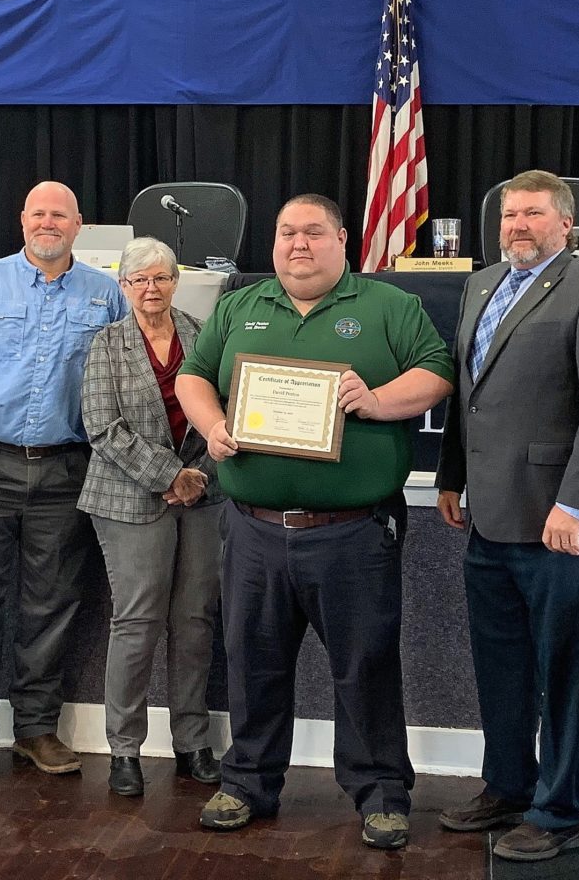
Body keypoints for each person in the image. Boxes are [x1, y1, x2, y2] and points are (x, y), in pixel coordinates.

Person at [175, 193, 454, 849]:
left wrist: (376, 399)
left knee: (365, 667)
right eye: (285, 232)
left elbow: (437, 373)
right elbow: (193, 376)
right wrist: (213, 426)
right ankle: (246, 783)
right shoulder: (240, 306)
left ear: (341, 240)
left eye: (311, 232)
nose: (297, 244)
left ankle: (381, 795)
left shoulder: (389, 306)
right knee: (252, 664)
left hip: (352, 532)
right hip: (251, 528)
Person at [436, 170, 579, 862]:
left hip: (558, 524)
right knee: (499, 665)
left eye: (531, 214)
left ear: (564, 223)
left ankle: (557, 812)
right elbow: (471, 392)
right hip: (487, 517)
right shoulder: (480, 283)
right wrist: (451, 478)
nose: (516, 225)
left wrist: (575, 504)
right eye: (508, 215)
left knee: (563, 669)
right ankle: (506, 785)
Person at [0, 180, 125, 783]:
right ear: (23, 221)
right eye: (39, 213)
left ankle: (37, 729)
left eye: (61, 215)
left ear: (79, 225)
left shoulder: (107, 295)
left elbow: (123, 379)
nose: (49, 223)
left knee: (52, 603)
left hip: (67, 469)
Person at [78, 236, 226, 798]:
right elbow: (102, 427)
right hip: (128, 498)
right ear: (122, 287)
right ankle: (124, 749)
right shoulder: (106, 344)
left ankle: (192, 742)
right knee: (137, 623)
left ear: (175, 281)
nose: (150, 289)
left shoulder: (202, 334)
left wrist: (196, 478)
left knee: (194, 621)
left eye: (160, 278)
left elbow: (225, 408)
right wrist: (168, 475)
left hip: (204, 495)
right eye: (138, 280)